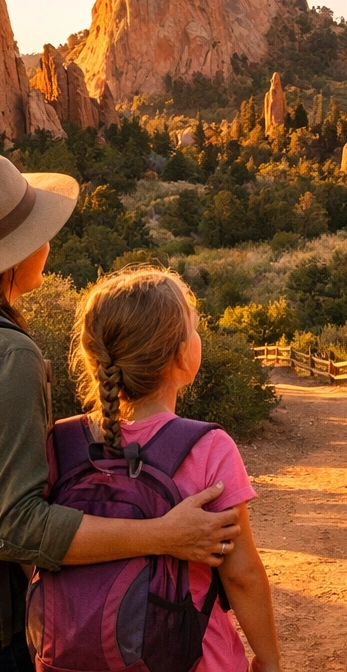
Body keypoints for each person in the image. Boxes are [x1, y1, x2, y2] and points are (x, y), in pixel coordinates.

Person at [0, 148, 240, 672]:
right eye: (35, 229)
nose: (46, 240)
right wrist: (163, 533)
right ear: (8, 255)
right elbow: (18, 528)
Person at [67, 268, 282, 672]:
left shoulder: (63, 444)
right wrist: (268, 658)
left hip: (81, 653)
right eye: (194, 328)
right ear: (184, 355)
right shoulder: (208, 448)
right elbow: (241, 575)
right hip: (194, 657)